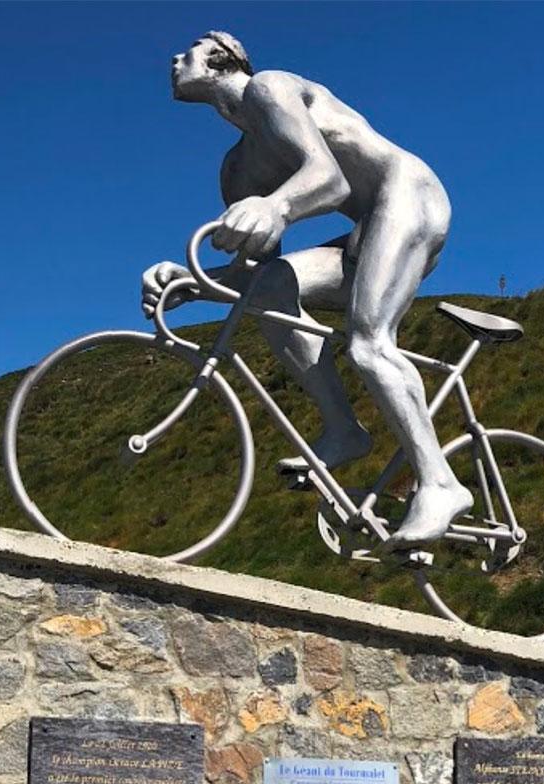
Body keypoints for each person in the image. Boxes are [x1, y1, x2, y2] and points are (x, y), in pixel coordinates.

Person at [141, 31, 471, 549]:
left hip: (408, 196)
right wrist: (192, 285)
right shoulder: (237, 167)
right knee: (272, 289)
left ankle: (441, 483)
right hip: (366, 231)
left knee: (368, 342)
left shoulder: (269, 88)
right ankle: (344, 429)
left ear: (222, 60)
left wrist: (276, 207)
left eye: (190, 50)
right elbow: (253, 274)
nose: (174, 57)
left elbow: (330, 181)